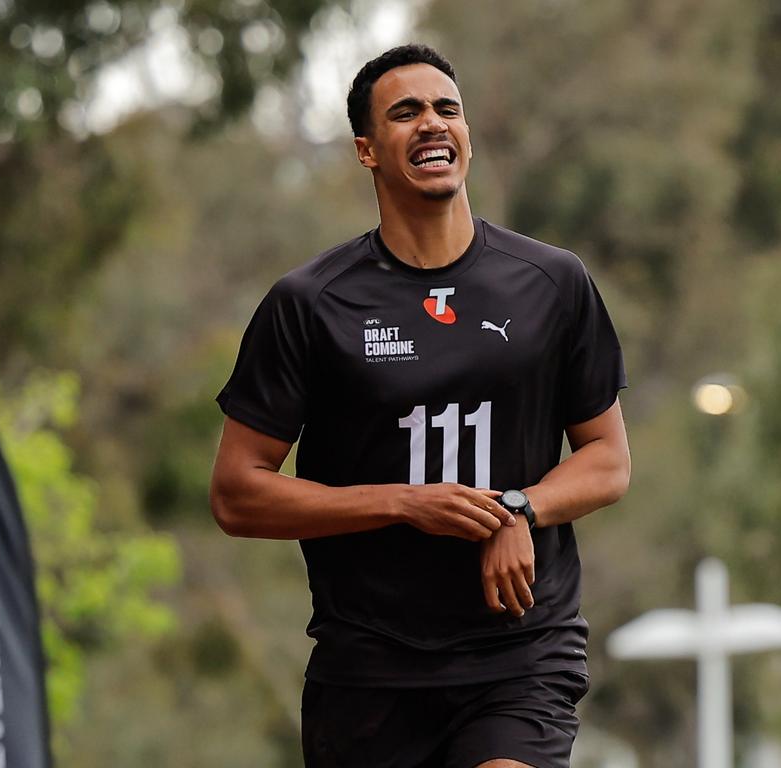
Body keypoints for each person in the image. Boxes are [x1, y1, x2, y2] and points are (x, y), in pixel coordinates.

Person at [210, 43, 630, 768]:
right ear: (367, 150)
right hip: (368, 671)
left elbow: (608, 461)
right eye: (406, 113)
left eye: (447, 109)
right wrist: (403, 505)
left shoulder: (553, 283)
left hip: (518, 656)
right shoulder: (310, 304)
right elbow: (237, 494)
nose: (432, 124)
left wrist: (519, 509)